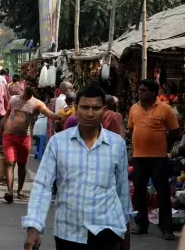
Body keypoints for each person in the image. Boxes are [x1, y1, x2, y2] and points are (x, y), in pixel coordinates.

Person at [23, 85, 131, 250]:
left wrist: (126, 233)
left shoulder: (117, 144)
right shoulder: (58, 143)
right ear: (75, 108)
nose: (90, 113)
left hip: (108, 230)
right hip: (68, 232)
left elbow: (122, 190)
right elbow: (42, 186)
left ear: (104, 110)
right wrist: (33, 227)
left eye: (95, 108)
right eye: (85, 107)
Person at [129, 79, 178, 240]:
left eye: (143, 90)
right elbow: (131, 129)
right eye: (139, 90)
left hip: (158, 158)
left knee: (163, 193)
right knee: (139, 193)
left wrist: (165, 148)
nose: (140, 92)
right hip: (138, 158)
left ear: (153, 92)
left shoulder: (165, 109)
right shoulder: (134, 108)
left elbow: (174, 132)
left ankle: (167, 228)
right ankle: (142, 224)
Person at [0, 81, 60, 203]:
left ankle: (19, 190)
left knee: (21, 165)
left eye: (28, 96)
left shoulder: (37, 103)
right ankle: (9, 191)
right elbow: (6, 116)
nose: (26, 98)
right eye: (25, 95)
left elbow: (50, 114)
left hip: (24, 138)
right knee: (10, 163)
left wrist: (62, 116)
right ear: (23, 92)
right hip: (9, 135)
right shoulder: (13, 99)